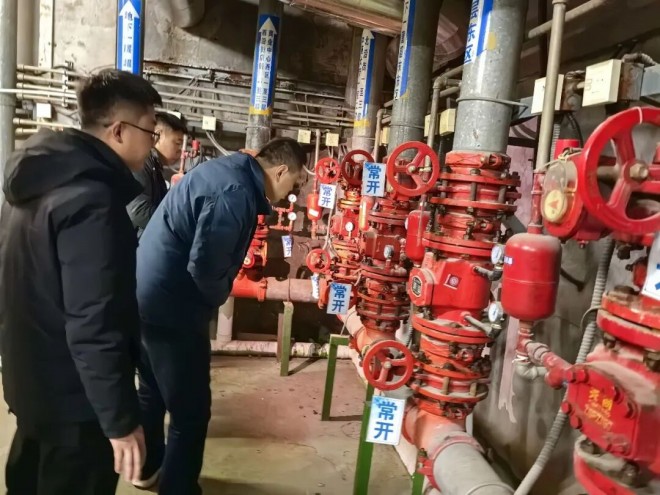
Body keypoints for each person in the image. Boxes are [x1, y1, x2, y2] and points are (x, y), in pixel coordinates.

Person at [0, 69, 162, 495]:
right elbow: (94, 322)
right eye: (151, 130)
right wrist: (120, 420)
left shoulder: (31, 186)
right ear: (119, 131)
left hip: (31, 386)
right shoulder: (92, 201)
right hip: (77, 406)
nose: (154, 142)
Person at [135, 138, 306, 494]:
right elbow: (206, 267)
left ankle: (147, 469)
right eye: (294, 183)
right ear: (280, 171)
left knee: (152, 389)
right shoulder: (236, 192)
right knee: (191, 411)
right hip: (173, 305)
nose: (290, 193)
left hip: (146, 293)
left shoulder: (228, 172)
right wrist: (212, 302)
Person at [127, 112, 187, 237]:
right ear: (157, 135)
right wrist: (174, 227)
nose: (180, 150)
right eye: (177, 143)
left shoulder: (155, 167)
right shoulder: (142, 163)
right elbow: (138, 211)